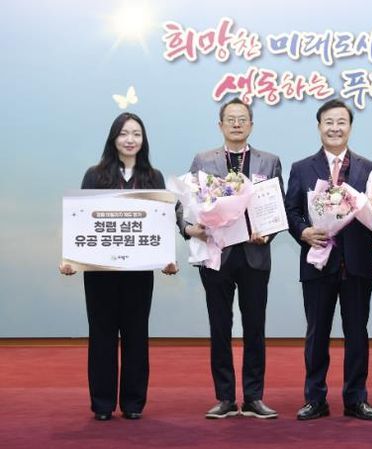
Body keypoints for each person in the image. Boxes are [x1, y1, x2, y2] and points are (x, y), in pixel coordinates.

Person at [59, 112, 178, 421]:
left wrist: (167, 259)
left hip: (139, 273)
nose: (130, 139)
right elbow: (80, 221)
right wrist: (70, 259)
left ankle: (133, 403)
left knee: (137, 335)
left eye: (136, 134)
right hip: (100, 274)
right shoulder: (95, 175)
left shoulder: (153, 178)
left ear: (144, 140)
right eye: (124, 133)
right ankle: (102, 404)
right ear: (113, 139)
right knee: (102, 335)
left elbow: (161, 224)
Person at [177, 98, 282, 419]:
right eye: (230, 119)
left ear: (251, 124)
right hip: (217, 255)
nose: (237, 124)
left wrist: (268, 233)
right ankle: (224, 397)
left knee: (255, 328)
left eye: (242, 119)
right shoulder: (203, 160)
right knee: (220, 327)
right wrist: (189, 229)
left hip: (254, 255)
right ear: (220, 125)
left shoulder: (269, 161)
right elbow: (184, 203)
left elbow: (277, 206)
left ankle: (253, 397)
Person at [284, 99, 372, 421]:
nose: (335, 128)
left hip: (357, 264)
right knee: (317, 334)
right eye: (329, 122)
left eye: (341, 122)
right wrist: (303, 231)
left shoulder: (369, 168)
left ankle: (356, 399)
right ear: (319, 127)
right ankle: (315, 399)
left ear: (350, 127)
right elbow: (291, 210)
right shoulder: (301, 168)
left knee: (357, 334)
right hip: (317, 262)